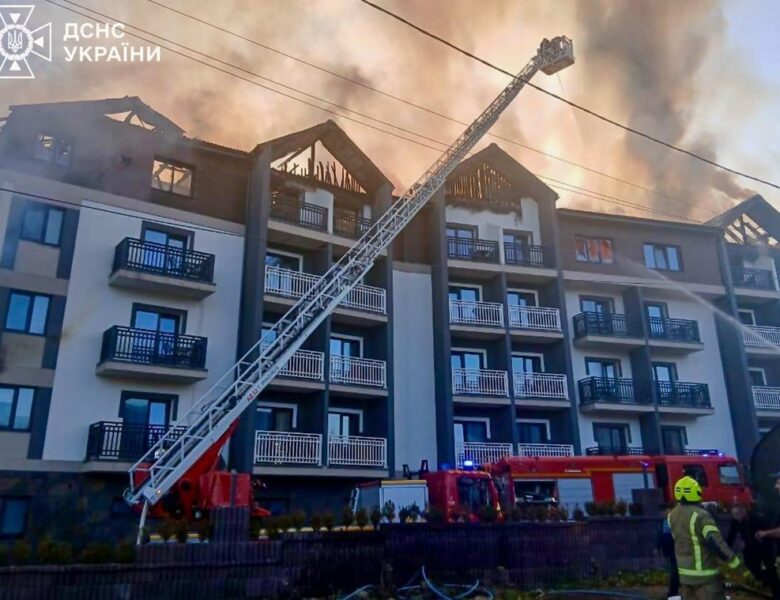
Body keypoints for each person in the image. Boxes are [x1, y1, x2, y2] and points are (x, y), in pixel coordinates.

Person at [668, 476, 741, 600]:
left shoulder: (672, 515)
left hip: (685, 577)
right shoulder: (701, 515)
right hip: (705, 577)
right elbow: (715, 542)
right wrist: (734, 563)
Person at [727, 502, 780, 598]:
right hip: (749, 548)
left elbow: (771, 533)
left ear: (745, 510)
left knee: (771, 570)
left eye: (738, 514)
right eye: (734, 515)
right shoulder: (735, 521)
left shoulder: (757, 519)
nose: (737, 517)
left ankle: (777, 594)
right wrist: (724, 550)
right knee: (753, 572)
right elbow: (731, 537)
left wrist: (765, 536)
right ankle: (765, 580)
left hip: (765, 547)